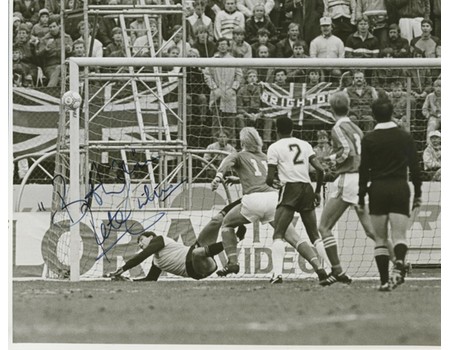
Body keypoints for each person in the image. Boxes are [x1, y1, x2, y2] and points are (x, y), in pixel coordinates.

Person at [211, 127, 327, 283]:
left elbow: (226, 163)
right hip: (273, 198)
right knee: (294, 238)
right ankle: (319, 268)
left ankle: (232, 262)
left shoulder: (238, 155)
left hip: (253, 200)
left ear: (242, 141)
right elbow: (263, 176)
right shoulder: (266, 157)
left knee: (227, 224)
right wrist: (238, 179)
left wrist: (218, 177)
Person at [318, 92, 393, 286]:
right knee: (370, 229)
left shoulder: (338, 127)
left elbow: (346, 151)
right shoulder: (356, 128)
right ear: (349, 107)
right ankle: (399, 260)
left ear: (331, 108)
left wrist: (329, 160)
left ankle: (337, 270)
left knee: (324, 227)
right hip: (361, 179)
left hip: (348, 179)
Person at [358, 98, 422, 291]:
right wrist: (418, 193)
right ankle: (400, 262)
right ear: (392, 112)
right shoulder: (404, 136)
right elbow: (415, 167)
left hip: (377, 189)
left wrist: (361, 197)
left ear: (373, 115)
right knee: (399, 235)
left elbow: (363, 171)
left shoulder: (368, 139)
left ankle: (384, 281)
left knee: (380, 238)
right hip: (399, 188)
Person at [106, 200, 247, 281]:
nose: (140, 244)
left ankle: (243, 200)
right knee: (197, 252)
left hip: (196, 251)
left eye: (141, 240)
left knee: (216, 220)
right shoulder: (157, 262)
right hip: (197, 269)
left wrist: (124, 268)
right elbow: (150, 279)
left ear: (151, 237)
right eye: (138, 243)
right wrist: (129, 280)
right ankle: (237, 239)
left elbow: (143, 255)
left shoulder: (160, 240)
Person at [266, 117, 330, 283]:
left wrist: (274, 182)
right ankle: (331, 270)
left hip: (290, 189)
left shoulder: (274, 147)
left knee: (278, 234)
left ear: (276, 130)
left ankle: (277, 274)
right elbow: (321, 170)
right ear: (293, 130)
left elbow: (269, 178)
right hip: (307, 188)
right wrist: (317, 192)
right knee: (314, 235)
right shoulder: (305, 144)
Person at [203, 37, 243, 144]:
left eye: (225, 44)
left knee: (230, 124)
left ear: (228, 46)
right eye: (220, 44)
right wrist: (214, 88)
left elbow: (239, 76)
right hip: (216, 95)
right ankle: (216, 146)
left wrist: (233, 88)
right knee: (216, 123)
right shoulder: (212, 60)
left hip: (229, 96)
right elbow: (207, 75)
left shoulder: (234, 61)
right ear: (217, 46)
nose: (222, 46)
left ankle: (232, 146)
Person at [309, 17, 345, 84]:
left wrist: (334, 66)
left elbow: (341, 57)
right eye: (323, 26)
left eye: (327, 26)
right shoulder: (315, 41)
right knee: (320, 76)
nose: (325, 28)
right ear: (320, 28)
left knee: (337, 73)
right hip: (320, 68)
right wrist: (320, 67)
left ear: (331, 27)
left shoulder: (338, 41)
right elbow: (313, 57)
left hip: (334, 67)